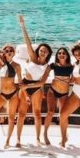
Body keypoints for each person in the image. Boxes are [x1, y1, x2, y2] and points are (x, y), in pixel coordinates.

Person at [15, 15, 52, 145]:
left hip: (35, 88)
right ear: (38, 51)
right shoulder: (32, 58)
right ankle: (18, 139)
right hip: (25, 84)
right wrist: (22, 25)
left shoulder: (48, 66)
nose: (42, 52)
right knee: (21, 114)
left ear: (48, 54)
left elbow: (42, 82)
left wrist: (27, 88)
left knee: (37, 113)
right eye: (41, 50)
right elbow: (28, 42)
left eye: (45, 51)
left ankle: (37, 138)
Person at [42, 47, 74, 144]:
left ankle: (64, 137)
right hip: (53, 91)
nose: (61, 54)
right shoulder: (53, 65)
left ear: (67, 55)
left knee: (63, 115)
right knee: (50, 112)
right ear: (57, 55)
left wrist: (65, 80)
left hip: (64, 93)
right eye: (59, 53)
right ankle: (45, 134)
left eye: (63, 53)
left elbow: (73, 80)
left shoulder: (71, 67)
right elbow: (44, 77)